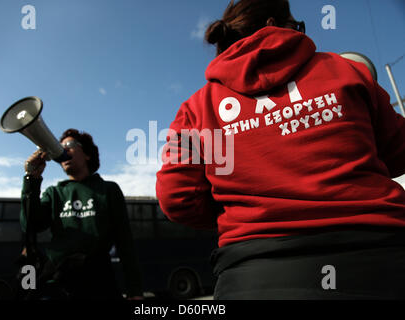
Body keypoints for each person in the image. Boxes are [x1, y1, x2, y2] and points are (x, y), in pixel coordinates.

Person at [156, 0, 405, 300]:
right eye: (297, 25)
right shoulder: (345, 70)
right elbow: (398, 150)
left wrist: (243, 211)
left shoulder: (196, 108)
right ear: (276, 24)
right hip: (380, 261)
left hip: (254, 274)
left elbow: (175, 197)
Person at [20, 128, 143, 300]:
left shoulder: (108, 190)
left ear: (87, 154)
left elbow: (125, 242)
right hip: (58, 279)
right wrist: (31, 179)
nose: (63, 150)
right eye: (59, 147)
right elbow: (30, 225)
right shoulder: (54, 193)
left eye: (69, 145)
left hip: (98, 279)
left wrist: (135, 290)